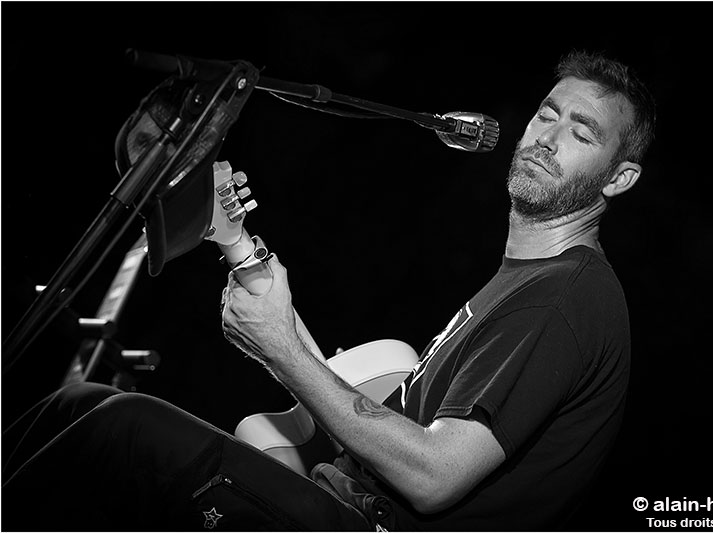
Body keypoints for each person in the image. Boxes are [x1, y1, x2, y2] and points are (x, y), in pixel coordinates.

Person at [2, 50, 655, 531]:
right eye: (546, 114)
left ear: (619, 178)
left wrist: (282, 349)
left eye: (581, 132)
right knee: (77, 403)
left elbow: (433, 476)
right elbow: (351, 417)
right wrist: (235, 240)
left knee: (120, 430)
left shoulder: (565, 297)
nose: (547, 137)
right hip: (331, 499)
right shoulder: (523, 285)